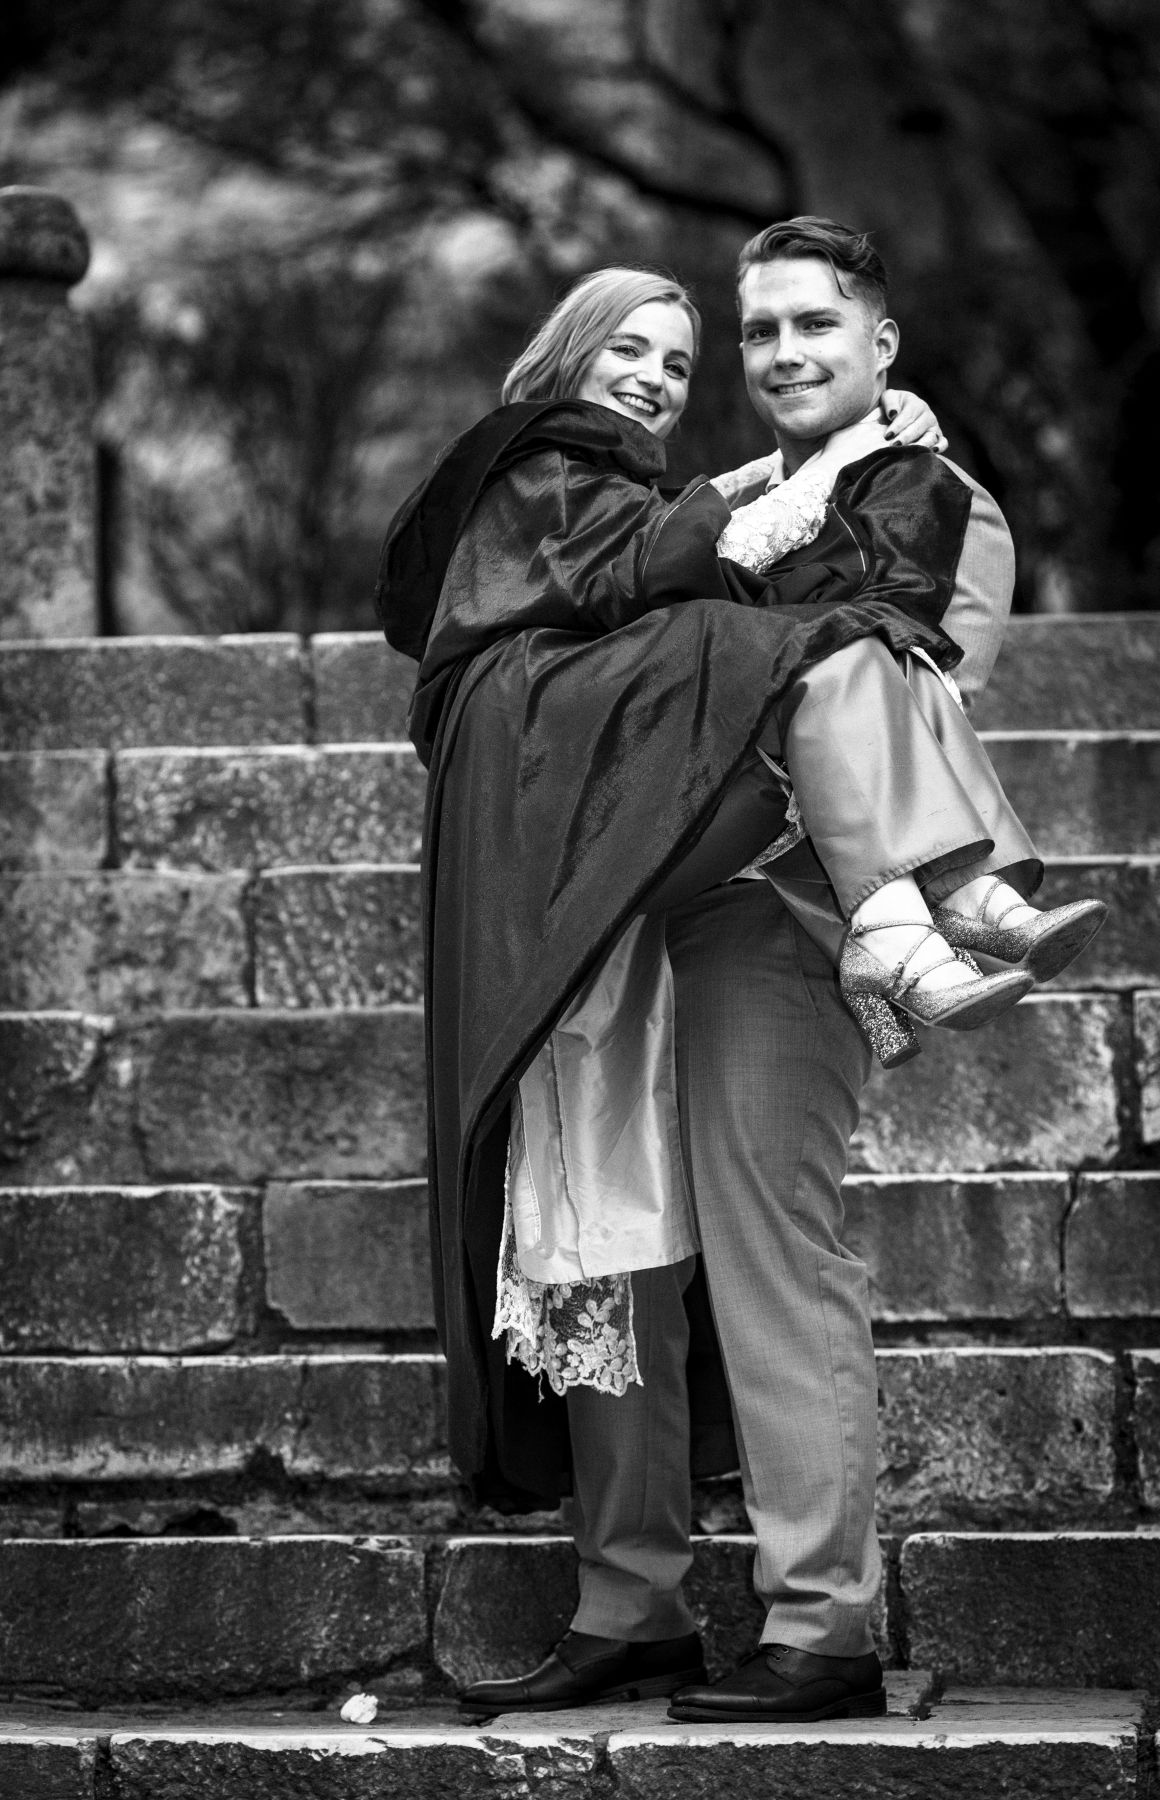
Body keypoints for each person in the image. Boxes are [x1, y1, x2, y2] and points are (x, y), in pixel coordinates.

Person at [373, 239, 1100, 1729]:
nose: (780, 349)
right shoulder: (684, 507)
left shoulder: (943, 505)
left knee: (773, 1247)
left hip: (785, 916)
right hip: (639, 913)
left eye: (814, 322)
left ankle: (822, 1625)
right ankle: (627, 1608)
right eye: (757, 327)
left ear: (882, 343)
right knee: (609, 1244)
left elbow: (904, 689)